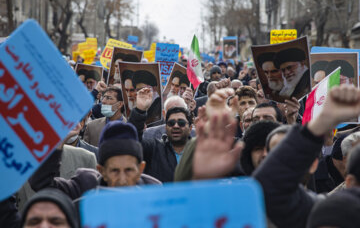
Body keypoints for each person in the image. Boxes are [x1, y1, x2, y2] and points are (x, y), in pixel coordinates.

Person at [191, 84, 360, 227]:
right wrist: (201, 179)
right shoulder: (236, 196)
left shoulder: (332, 208)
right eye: (262, 149)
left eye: (277, 152)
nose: (267, 156)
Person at [29, 121, 161, 201]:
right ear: (101, 170)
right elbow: (42, 184)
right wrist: (55, 143)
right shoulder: (86, 186)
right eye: (114, 171)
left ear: (141, 169)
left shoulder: (154, 192)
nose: (122, 179)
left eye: (129, 170)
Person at [130, 88, 193, 182]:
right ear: (166, 127)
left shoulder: (200, 151)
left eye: (181, 123)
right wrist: (139, 111)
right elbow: (132, 142)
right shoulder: (154, 149)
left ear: (190, 128)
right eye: (171, 123)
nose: (176, 126)